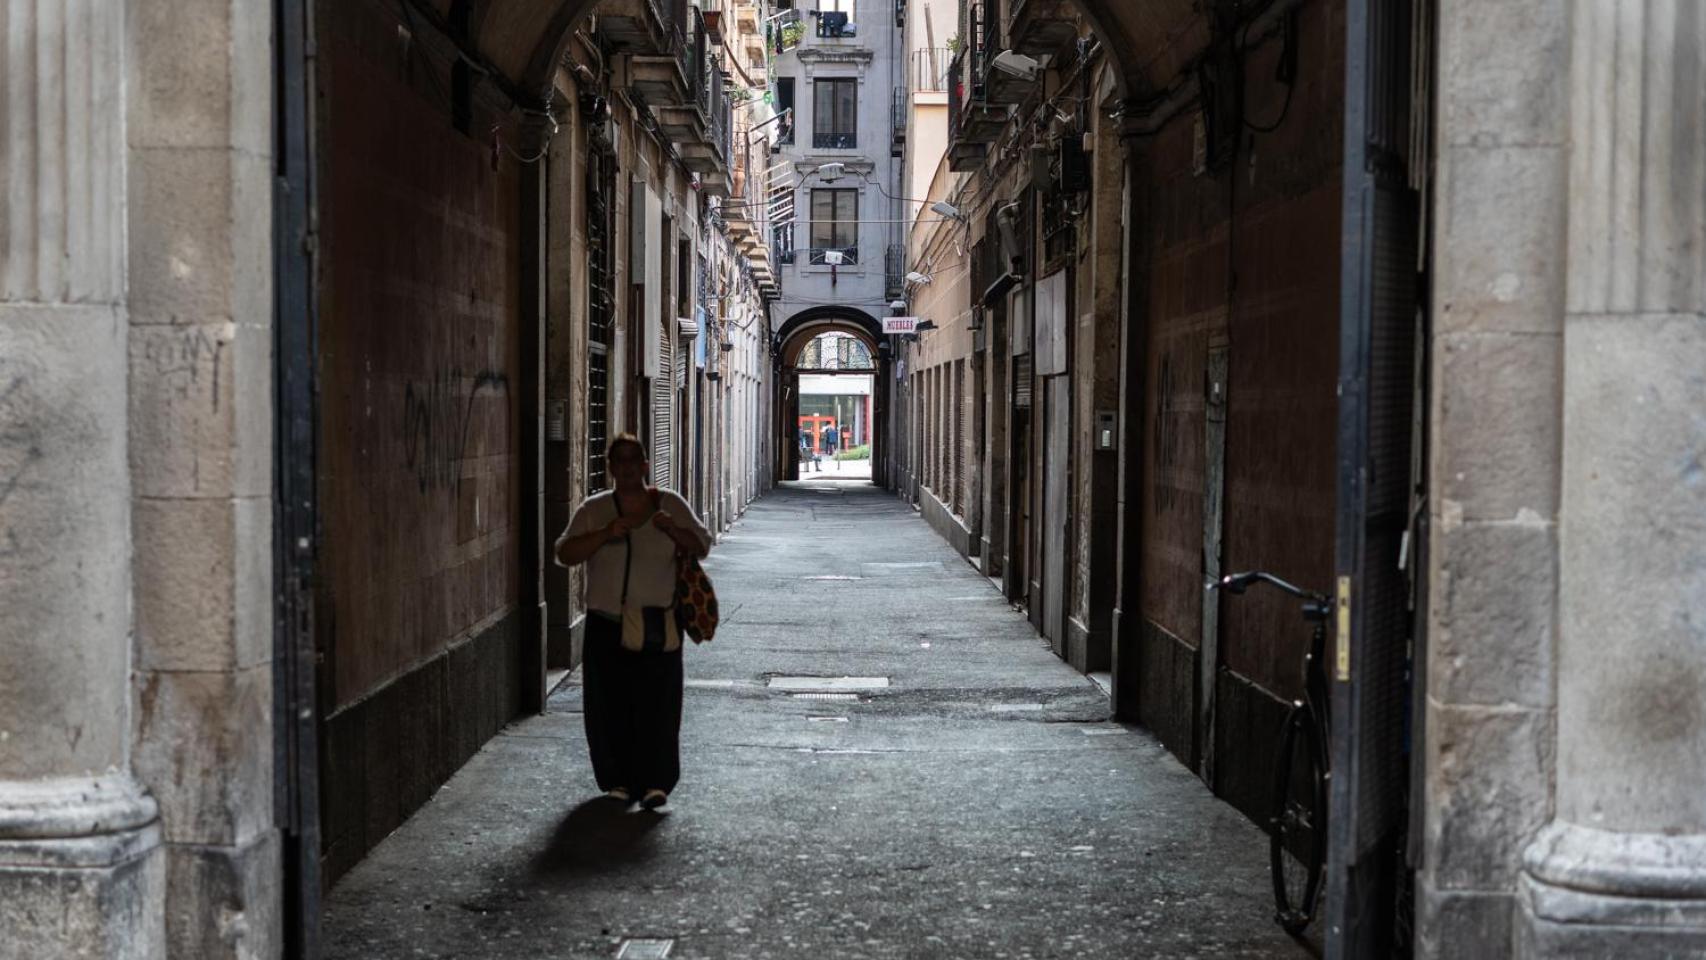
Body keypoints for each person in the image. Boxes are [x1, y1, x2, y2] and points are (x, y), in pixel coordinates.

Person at [554, 434, 712, 810]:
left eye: (632, 460)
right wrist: (605, 534)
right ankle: (619, 780)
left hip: (659, 621)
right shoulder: (595, 510)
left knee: (659, 704)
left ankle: (657, 782)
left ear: (644, 465)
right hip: (607, 624)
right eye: (618, 461)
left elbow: (702, 543)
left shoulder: (669, 503)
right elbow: (564, 552)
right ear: (610, 468)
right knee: (610, 706)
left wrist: (672, 529)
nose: (625, 468)